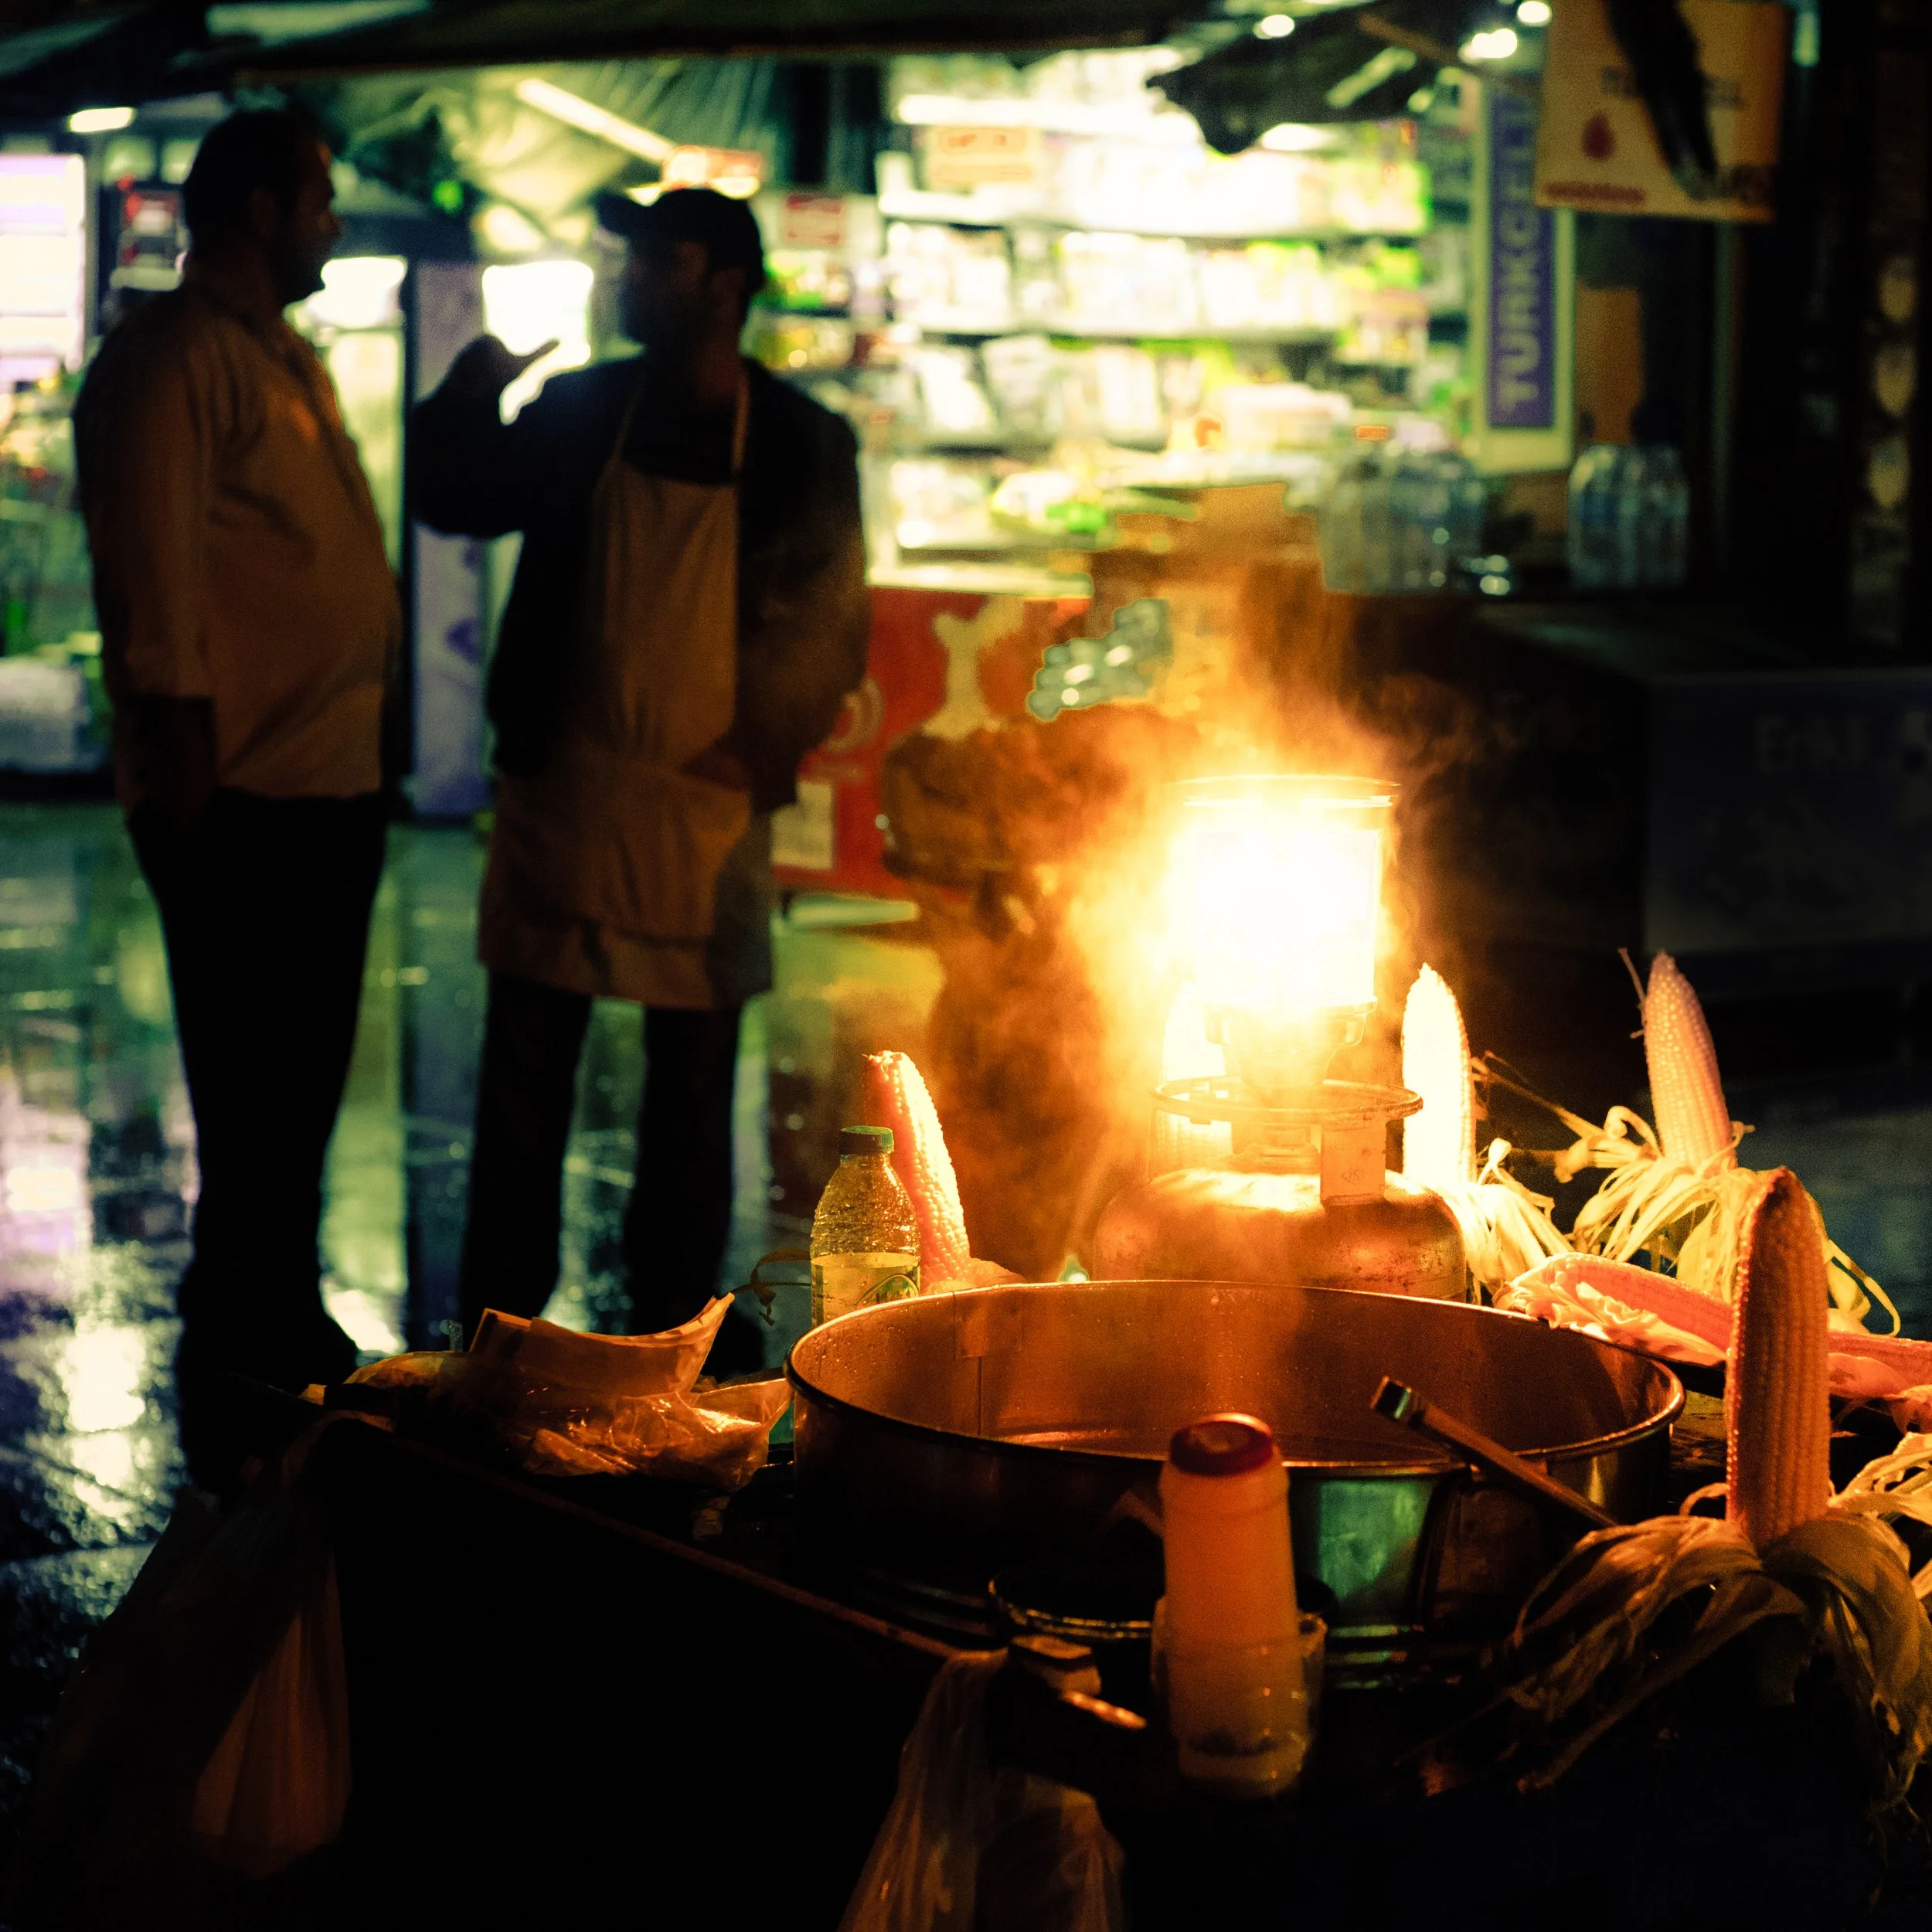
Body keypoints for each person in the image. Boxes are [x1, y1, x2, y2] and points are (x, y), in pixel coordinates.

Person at [410, 187, 867, 1355]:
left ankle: (679, 1331)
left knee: (692, 1087)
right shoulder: (576, 411)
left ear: (724, 287)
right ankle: (501, 1329)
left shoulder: (808, 444)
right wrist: (471, 390)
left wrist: (758, 746)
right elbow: (453, 499)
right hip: (565, 787)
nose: (629, 278)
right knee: (524, 1081)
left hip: (709, 807)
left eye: (657, 260)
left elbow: (832, 628)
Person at [75, 110, 399, 1417]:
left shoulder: (281, 357)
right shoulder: (176, 358)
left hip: (323, 787)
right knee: (254, 1084)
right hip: (245, 797)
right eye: (319, 199)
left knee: (299, 1081)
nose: (332, 221)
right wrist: (185, 781)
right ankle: (238, 1340)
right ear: (262, 210)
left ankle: (270, 1304)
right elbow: (153, 588)